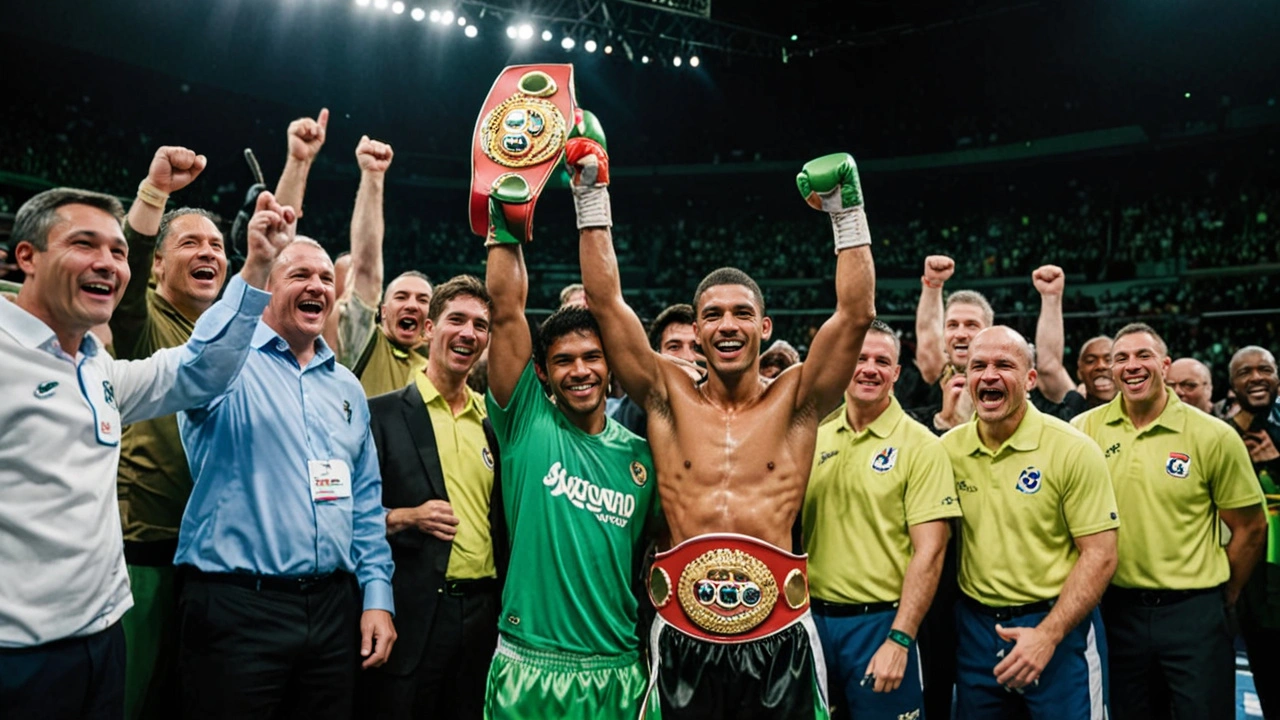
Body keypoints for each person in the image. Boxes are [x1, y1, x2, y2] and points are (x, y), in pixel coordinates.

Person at [571, 110, 876, 718]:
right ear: (697, 328)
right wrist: (590, 194)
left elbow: (856, 315)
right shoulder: (665, 394)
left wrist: (847, 213)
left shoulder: (798, 398)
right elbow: (606, 303)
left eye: (740, 313)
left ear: (764, 327)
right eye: (712, 314)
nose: (727, 325)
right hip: (679, 632)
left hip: (780, 636)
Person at [0, 185, 286, 719]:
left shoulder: (97, 368)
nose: (107, 262)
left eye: (117, 250)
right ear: (26, 257)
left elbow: (200, 370)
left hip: (102, 636)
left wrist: (258, 268)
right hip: (18, 655)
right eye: (85, 244)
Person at [173, 236, 397, 719]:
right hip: (237, 609)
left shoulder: (346, 388)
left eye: (325, 279)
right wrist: (252, 266)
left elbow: (364, 500)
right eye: (300, 275)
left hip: (333, 611)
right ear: (265, 290)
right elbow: (205, 347)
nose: (318, 285)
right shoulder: (221, 367)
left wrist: (377, 595)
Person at [482, 175, 659, 719]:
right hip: (528, 664)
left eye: (591, 357)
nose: (579, 370)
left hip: (616, 666)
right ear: (542, 371)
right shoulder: (525, 421)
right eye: (563, 360)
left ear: (611, 368)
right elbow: (506, 310)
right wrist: (503, 224)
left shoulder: (643, 455)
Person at [1072, 324, 1266, 720]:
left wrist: (1223, 596)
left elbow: (1251, 527)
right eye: (1120, 358)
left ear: (1164, 365)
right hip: (1115, 610)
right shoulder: (1083, 431)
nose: (1131, 366)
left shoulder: (1213, 435)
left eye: (1143, 356)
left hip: (1194, 612)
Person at [943, 326, 1119, 720]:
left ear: (1030, 379)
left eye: (1004, 365)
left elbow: (1101, 555)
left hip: (1059, 627)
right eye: (978, 366)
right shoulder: (946, 451)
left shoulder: (1073, 449)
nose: (989, 375)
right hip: (976, 629)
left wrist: (1048, 636)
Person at [109, 146, 227, 720]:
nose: (208, 253)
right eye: (190, 243)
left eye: (216, 248)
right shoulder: (145, 318)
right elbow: (121, 280)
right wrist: (155, 193)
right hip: (146, 554)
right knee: (134, 700)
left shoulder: (227, 339)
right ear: (156, 265)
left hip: (214, 563)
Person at [359, 275, 506, 720]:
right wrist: (406, 516)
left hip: (484, 613)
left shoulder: (492, 421)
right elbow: (345, 516)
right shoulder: (380, 415)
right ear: (428, 330)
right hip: (414, 609)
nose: (468, 333)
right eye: (456, 320)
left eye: (480, 325)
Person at [803, 321, 960, 720]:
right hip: (812, 623)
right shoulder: (813, 438)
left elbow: (931, 550)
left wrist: (900, 638)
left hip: (881, 624)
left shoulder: (922, 446)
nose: (869, 368)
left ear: (896, 374)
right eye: (859, 359)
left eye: (881, 361)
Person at [1227, 345, 1280, 720]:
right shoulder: (1220, 435)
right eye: (1245, 372)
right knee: (1268, 677)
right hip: (1251, 584)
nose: (1256, 377)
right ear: (1231, 384)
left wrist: (1276, 465)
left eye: (1265, 369)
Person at [1029, 266, 1115, 411]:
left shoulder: (1150, 410)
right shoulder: (1076, 409)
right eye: (1090, 361)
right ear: (1079, 372)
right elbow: (1049, 366)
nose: (1101, 366)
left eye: (1109, 359)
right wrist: (1051, 297)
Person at [612, 302, 701, 437]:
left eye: (696, 348)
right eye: (674, 347)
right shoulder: (636, 408)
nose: (687, 358)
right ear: (656, 356)